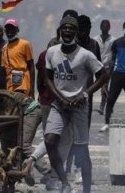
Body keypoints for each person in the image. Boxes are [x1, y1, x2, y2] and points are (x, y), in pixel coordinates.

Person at [43, 16, 108, 193]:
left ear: (76, 31)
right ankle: (64, 182)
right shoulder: (52, 52)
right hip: (59, 105)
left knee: (81, 151)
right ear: (60, 30)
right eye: (65, 28)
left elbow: (103, 75)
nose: (68, 31)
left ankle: (86, 189)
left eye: (72, 28)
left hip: (79, 107)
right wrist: (60, 98)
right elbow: (48, 78)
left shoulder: (85, 55)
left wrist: (86, 94)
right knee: (50, 141)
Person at [0, 18, 43, 168]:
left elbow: (31, 67)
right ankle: (17, 164)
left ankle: (28, 163)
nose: (9, 31)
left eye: (12, 28)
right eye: (7, 28)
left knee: (22, 129)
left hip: (23, 88)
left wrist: (32, 90)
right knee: (13, 129)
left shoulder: (24, 44)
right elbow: (4, 70)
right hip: (10, 90)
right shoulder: (4, 48)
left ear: (17, 30)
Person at [100, 20, 125, 132]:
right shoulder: (117, 43)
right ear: (123, 29)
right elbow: (112, 60)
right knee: (111, 98)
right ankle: (107, 123)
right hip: (118, 74)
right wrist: (108, 77)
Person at [94, 19, 115, 115]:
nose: (105, 28)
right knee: (97, 85)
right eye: (103, 26)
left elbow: (114, 54)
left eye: (107, 26)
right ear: (100, 27)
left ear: (109, 28)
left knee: (104, 87)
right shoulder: (95, 40)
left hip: (107, 67)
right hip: (96, 66)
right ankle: (110, 104)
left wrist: (112, 66)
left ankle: (103, 107)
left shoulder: (113, 40)